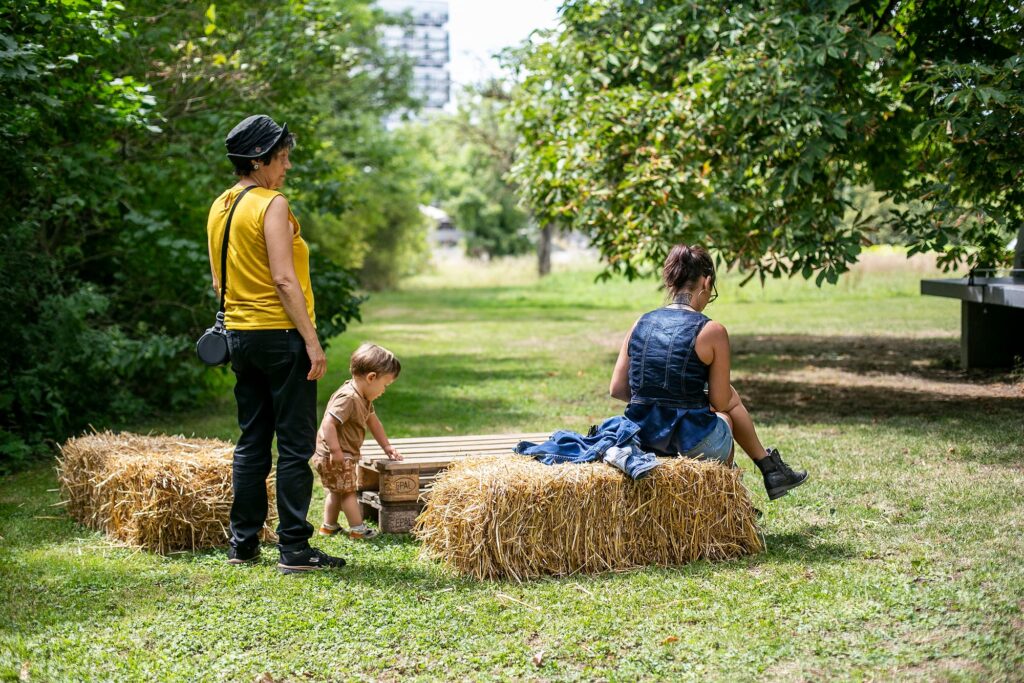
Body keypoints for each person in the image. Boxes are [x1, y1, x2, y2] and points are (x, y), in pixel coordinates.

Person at [207, 114, 345, 573]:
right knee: (292, 444)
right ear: (258, 159)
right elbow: (285, 280)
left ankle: (243, 544)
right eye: (281, 158)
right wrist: (312, 342)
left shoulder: (221, 207)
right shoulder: (272, 205)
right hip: (281, 337)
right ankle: (294, 548)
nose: (286, 167)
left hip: (240, 337)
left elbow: (217, 281)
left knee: (251, 441)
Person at [608, 244, 808, 499]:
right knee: (727, 414)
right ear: (707, 281)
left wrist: (659, 398)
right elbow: (720, 401)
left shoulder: (640, 322)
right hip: (691, 442)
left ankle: (769, 470)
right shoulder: (712, 331)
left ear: (670, 281)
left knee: (723, 401)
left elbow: (617, 388)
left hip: (643, 438)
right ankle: (736, 497)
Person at [312, 343, 403, 539]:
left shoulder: (363, 397)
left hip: (338, 453)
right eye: (385, 385)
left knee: (337, 490)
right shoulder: (348, 398)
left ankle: (329, 526)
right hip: (335, 454)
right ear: (371, 377)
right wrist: (336, 451)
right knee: (348, 492)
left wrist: (387, 446)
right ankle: (357, 529)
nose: (384, 391)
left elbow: (373, 421)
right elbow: (328, 423)